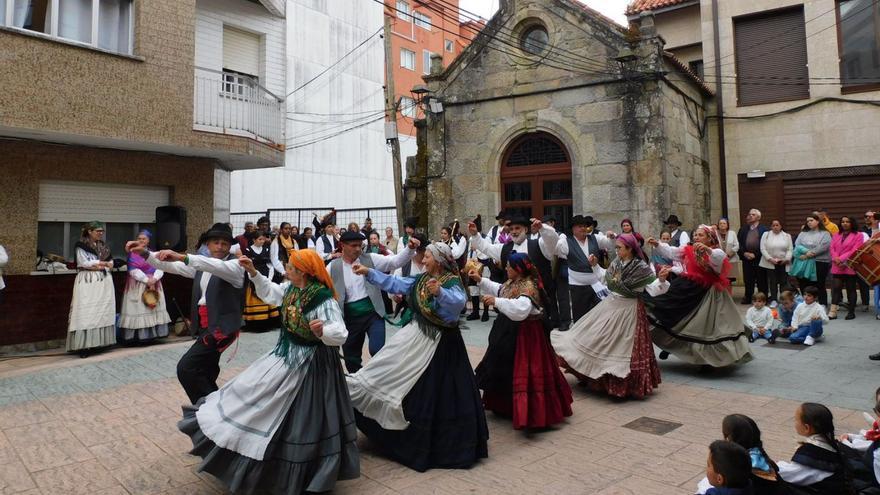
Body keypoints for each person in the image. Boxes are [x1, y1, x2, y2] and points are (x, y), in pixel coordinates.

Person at [178, 249, 359, 494]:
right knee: (259, 394)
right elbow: (272, 293)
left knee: (308, 415)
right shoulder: (291, 289)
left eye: (292, 268)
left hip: (315, 364)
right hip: (289, 353)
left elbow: (340, 331)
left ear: (303, 272)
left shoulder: (321, 298)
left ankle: (309, 469)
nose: (287, 270)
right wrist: (253, 272)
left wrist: (323, 331)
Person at [346, 242, 488, 472]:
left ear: (439, 260)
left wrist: (440, 293)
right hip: (420, 335)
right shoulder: (421, 279)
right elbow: (397, 283)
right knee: (395, 369)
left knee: (439, 389)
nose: (423, 260)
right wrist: (369, 273)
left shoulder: (451, 282)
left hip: (443, 344)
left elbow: (458, 304)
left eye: (428, 256)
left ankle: (440, 444)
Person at [129, 223, 246, 404]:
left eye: (224, 243)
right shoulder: (203, 265)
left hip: (220, 329)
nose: (220, 247)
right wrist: (144, 253)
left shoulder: (235, 266)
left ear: (230, 246)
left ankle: (211, 411)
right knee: (205, 370)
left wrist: (182, 256)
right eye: (216, 242)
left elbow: (210, 264)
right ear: (208, 245)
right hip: (207, 326)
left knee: (186, 368)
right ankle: (217, 412)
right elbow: (173, 266)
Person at [551, 233, 666, 399]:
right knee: (595, 338)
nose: (616, 250)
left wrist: (661, 281)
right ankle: (591, 376)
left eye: (619, 248)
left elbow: (653, 289)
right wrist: (596, 266)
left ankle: (623, 384)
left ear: (630, 249)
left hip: (629, 311)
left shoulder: (641, 267)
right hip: (610, 305)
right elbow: (606, 278)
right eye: (617, 247)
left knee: (620, 347)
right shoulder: (617, 263)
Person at [471, 252, 573, 429]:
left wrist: (497, 302)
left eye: (509, 266)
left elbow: (521, 309)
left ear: (518, 269)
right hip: (511, 332)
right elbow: (501, 289)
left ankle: (532, 412)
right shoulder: (514, 282)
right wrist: (481, 280)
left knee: (526, 371)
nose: (506, 268)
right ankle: (505, 405)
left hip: (527, 336)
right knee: (504, 366)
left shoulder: (528, 287)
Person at [644, 225, 753, 369]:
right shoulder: (688, 249)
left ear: (709, 238)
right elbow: (672, 252)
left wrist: (707, 249)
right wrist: (657, 244)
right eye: (695, 235)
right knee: (669, 312)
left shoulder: (715, 252)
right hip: (687, 287)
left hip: (709, 294)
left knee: (706, 328)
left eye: (701, 235)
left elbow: (719, 258)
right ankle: (672, 345)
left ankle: (708, 360)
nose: (696, 237)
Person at [329, 230, 416, 372]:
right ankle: (357, 387)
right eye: (354, 245)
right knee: (351, 359)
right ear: (342, 245)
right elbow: (320, 286)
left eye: (360, 245)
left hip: (373, 314)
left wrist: (410, 249)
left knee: (378, 351)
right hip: (349, 320)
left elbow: (394, 261)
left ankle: (378, 383)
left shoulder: (370, 258)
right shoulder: (332, 267)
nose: (358, 249)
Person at [469, 216, 560, 328]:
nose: (514, 232)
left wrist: (542, 228)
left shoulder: (539, 244)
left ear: (526, 230)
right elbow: (485, 247)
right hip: (511, 305)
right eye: (511, 229)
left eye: (517, 228)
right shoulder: (504, 248)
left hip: (539, 304)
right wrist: (475, 234)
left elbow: (553, 241)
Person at [777, 403, 852, 493]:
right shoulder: (833, 444)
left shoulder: (813, 453)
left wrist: (772, 465)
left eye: (796, 420)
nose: (794, 422)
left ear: (807, 428)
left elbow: (789, 474)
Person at [67, 221, 117, 356]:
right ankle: (84, 346)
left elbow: (111, 263)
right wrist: (101, 263)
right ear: (89, 231)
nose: (100, 233)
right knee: (86, 312)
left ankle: (98, 343)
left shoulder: (103, 246)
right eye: (98, 231)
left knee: (101, 311)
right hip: (88, 282)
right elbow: (83, 262)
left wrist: (101, 264)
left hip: (103, 282)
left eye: (102, 231)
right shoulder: (81, 245)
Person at [554, 215, 614, 323]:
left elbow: (609, 244)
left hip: (596, 283)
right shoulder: (566, 242)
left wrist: (611, 236)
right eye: (579, 226)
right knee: (580, 315)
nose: (583, 228)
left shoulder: (595, 238)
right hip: (578, 285)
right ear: (573, 229)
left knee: (600, 314)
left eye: (584, 226)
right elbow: (554, 250)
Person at [118, 229, 171, 345]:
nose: (141, 241)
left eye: (144, 239)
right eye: (139, 239)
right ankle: (139, 336)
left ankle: (154, 334)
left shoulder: (153, 253)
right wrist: (147, 280)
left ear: (148, 241)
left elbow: (160, 266)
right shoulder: (132, 254)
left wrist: (155, 279)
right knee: (139, 307)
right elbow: (132, 270)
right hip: (138, 284)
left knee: (153, 306)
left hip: (154, 282)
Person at [242, 231, 281, 332]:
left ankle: (270, 323)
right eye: (260, 239)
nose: (262, 241)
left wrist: (269, 279)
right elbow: (246, 266)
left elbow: (270, 265)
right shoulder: (248, 250)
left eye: (263, 239)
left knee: (267, 298)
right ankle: (255, 324)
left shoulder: (266, 249)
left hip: (266, 276)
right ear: (254, 240)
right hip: (252, 277)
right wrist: (253, 277)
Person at [830, 215, 864, 321]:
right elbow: (832, 248)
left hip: (849, 265)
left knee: (851, 289)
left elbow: (855, 249)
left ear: (852, 223)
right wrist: (836, 258)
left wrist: (842, 259)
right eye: (843, 222)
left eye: (847, 222)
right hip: (837, 265)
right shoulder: (836, 234)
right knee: (836, 288)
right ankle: (833, 312)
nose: (844, 223)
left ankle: (851, 312)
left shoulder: (858, 235)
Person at [793, 214, 832, 307]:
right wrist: (806, 253)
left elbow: (824, 246)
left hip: (820, 262)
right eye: (808, 221)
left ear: (818, 221)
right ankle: (806, 304)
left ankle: (822, 304)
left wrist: (810, 253)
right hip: (804, 262)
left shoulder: (825, 233)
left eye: (811, 220)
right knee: (804, 283)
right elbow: (797, 244)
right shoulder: (803, 233)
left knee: (819, 284)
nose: (809, 222)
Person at [737, 209, 770, 305]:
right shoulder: (743, 229)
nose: (750, 216)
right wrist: (744, 253)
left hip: (759, 258)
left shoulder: (764, 230)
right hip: (747, 259)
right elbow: (739, 244)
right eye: (749, 214)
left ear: (758, 217)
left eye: (753, 215)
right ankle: (748, 297)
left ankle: (763, 298)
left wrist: (755, 254)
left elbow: (766, 245)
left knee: (762, 280)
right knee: (748, 279)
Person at [758, 220, 792, 304]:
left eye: (777, 225)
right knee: (772, 282)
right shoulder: (766, 235)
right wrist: (769, 258)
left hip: (783, 262)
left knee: (783, 282)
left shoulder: (787, 236)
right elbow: (762, 248)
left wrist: (787, 259)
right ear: (771, 227)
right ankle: (774, 299)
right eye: (773, 225)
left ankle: (783, 299)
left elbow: (790, 249)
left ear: (781, 226)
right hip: (770, 262)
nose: (775, 227)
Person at [717, 218, 740, 285]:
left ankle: (729, 295)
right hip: (719, 260)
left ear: (727, 225)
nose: (722, 225)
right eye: (720, 223)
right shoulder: (715, 234)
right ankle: (722, 295)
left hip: (731, 259)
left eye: (724, 223)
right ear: (718, 225)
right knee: (720, 280)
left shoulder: (732, 233)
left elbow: (737, 245)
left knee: (729, 280)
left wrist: (729, 255)